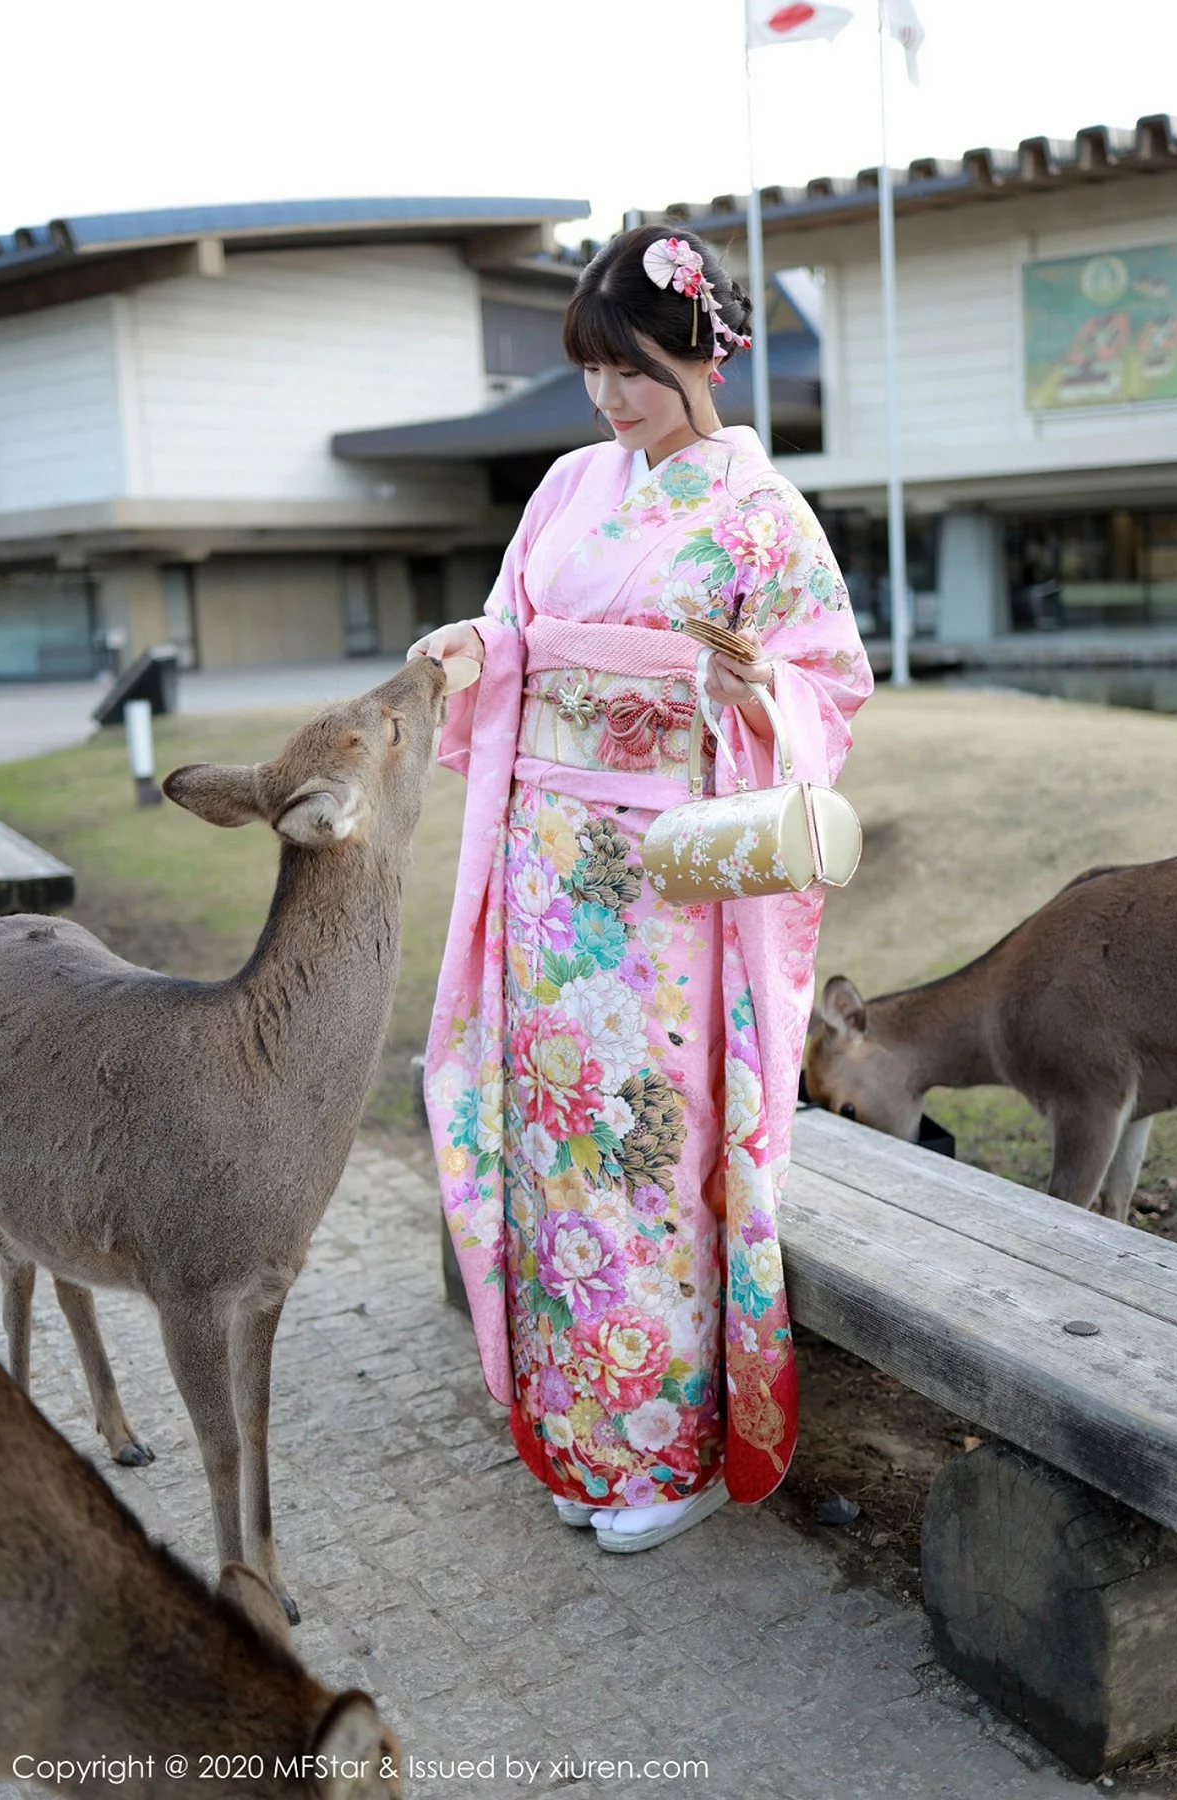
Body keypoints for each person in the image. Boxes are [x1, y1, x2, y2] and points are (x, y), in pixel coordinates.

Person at [410, 225, 872, 1552]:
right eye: (596, 373)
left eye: (635, 371)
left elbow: (827, 684)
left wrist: (756, 690)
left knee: (646, 1155)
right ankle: (576, 1436)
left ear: (701, 358)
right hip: (549, 875)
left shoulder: (763, 516)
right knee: (558, 1158)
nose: (612, 400)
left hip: (665, 888)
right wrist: (477, 647)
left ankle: (661, 1454)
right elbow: (520, 628)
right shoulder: (568, 488)